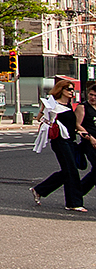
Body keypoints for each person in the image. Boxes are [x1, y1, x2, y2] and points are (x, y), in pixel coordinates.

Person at [32, 77, 85, 211]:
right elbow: (40, 119)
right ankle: (74, 203)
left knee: (68, 171)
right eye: (69, 89)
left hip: (70, 141)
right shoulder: (53, 105)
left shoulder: (69, 105)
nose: (72, 92)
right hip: (60, 142)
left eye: (73, 90)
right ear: (61, 90)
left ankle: (39, 190)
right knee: (71, 171)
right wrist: (44, 110)